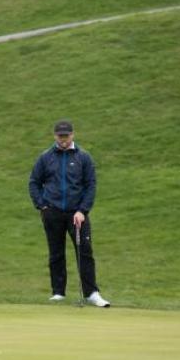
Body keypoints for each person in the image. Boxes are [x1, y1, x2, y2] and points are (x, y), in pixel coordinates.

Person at [28, 120, 110, 307]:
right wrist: (42, 206)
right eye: (60, 136)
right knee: (56, 253)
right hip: (53, 212)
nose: (63, 140)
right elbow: (34, 182)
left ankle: (91, 293)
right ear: (55, 136)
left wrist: (82, 210)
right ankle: (58, 292)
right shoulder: (46, 157)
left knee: (85, 253)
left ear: (72, 135)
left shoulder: (83, 157)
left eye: (66, 136)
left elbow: (90, 186)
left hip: (77, 214)